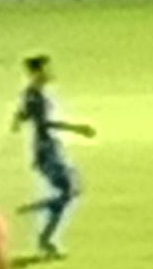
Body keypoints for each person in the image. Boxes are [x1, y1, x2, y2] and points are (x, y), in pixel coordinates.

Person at [15, 54, 95, 257]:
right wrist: (77, 128)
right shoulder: (37, 95)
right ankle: (45, 236)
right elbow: (44, 123)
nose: (50, 72)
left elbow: (24, 116)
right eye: (46, 68)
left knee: (72, 190)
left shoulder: (33, 93)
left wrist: (19, 117)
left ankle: (45, 225)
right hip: (48, 149)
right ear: (37, 72)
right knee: (70, 191)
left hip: (50, 147)